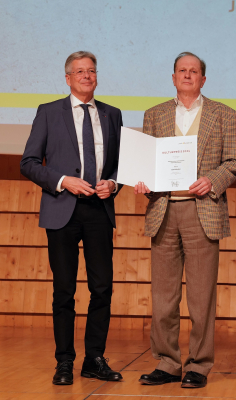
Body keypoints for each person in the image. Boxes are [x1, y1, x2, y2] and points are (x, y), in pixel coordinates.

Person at [134, 52, 236, 389]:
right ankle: (167, 363)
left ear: (203, 79)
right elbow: (145, 163)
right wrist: (142, 178)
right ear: (173, 77)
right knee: (163, 298)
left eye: (194, 71)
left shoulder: (225, 115)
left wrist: (212, 179)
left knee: (201, 297)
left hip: (203, 212)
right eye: (182, 70)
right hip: (163, 212)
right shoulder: (154, 115)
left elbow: (235, 161)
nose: (187, 75)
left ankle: (199, 364)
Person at [20, 51, 123, 385]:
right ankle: (64, 360)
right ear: (67, 78)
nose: (86, 75)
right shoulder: (49, 112)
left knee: (102, 288)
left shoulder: (112, 114)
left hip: (98, 211)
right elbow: (29, 162)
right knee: (63, 290)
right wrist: (63, 181)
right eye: (79, 71)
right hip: (62, 208)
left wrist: (113, 183)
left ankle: (94, 358)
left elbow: (122, 166)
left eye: (91, 70)